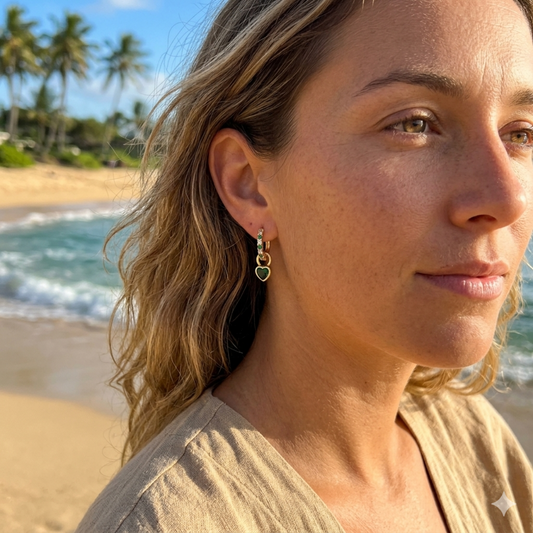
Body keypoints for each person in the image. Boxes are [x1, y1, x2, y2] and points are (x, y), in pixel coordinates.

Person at [76, 0, 533, 531]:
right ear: (249, 183)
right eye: (415, 123)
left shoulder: (476, 444)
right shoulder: (168, 519)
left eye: (521, 133)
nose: (506, 197)